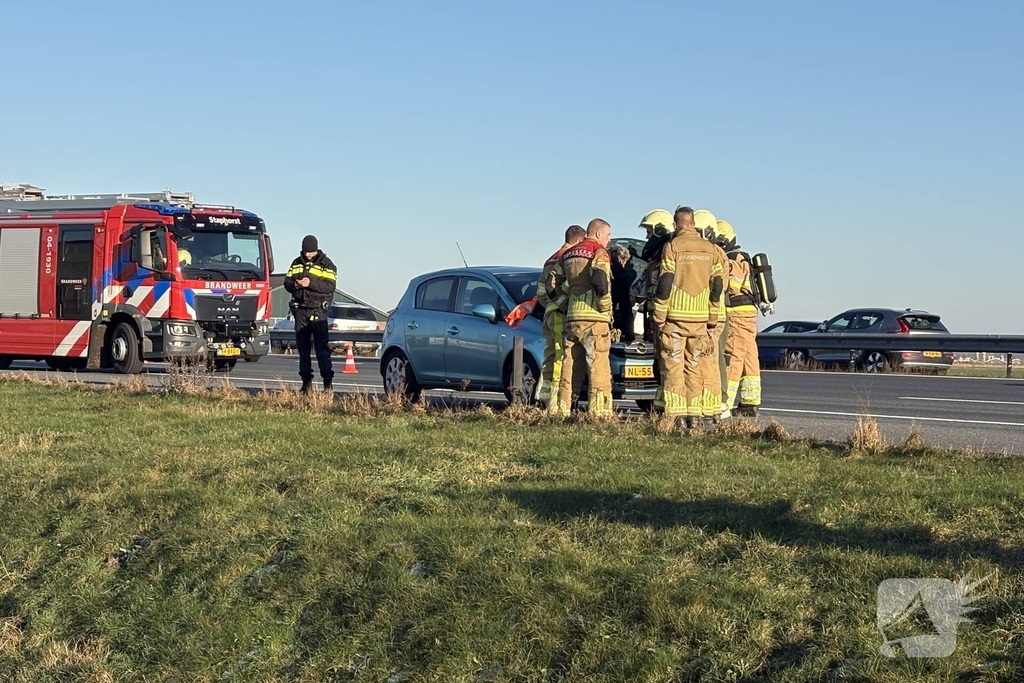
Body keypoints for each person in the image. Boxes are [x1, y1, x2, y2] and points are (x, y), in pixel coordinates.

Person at [651, 206, 726, 431]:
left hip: (675, 318)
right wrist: (712, 317)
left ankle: (677, 416)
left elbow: (665, 281)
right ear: (693, 224)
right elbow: (717, 286)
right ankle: (694, 416)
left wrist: (659, 315)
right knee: (693, 366)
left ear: (675, 225)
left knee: (673, 365)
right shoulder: (711, 249)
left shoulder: (672, 246)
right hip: (700, 320)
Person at [553, 218, 614, 417]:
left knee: (570, 365)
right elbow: (600, 280)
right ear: (598, 234)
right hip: (594, 319)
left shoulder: (569, 253)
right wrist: (605, 306)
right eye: (608, 235)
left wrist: (565, 303)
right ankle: (599, 413)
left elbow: (552, 283)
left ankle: (564, 410)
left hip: (573, 318)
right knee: (598, 366)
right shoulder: (599, 252)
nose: (609, 240)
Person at [535, 224, 586, 408]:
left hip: (550, 314)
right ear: (579, 240)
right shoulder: (568, 258)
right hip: (560, 314)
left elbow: (541, 292)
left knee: (550, 356)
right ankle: (556, 402)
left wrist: (550, 306)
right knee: (561, 356)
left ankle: (544, 397)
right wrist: (563, 306)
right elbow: (566, 288)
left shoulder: (550, 259)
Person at [717, 222, 762, 417]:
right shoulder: (742, 257)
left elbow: (731, 288)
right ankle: (750, 403)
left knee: (732, 355)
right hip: (748, 313)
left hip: (736, 313)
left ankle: (724, 404)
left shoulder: (731, 260)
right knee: (749, 356)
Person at [284, 235, 338, 394]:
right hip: (300, 309)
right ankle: (306, 383)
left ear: (316, 249)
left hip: (317, 309)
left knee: (321, 349)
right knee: (303, 349)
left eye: (311, 252)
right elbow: (286, 282)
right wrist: (295, 284)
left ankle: (327, 383)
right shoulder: (296, 263)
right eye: (306, 252)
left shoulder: (327, 264)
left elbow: (330, 286)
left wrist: (311, 283)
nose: (308, 255)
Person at [693, 209, 730, 426]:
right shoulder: (709, 252)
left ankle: (715, 404)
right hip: (707, 314)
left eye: (697, 231)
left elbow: (716, 287)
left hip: (713, 316)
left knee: (711, 359)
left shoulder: (714, 253)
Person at [608, 243, 636, 343]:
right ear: (621, 259)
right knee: (626, 312)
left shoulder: (607, 268)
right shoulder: (622, 274)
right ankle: (629, 338)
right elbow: (626, 311)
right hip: (621, 290)